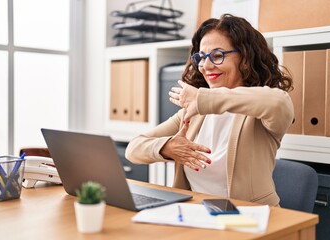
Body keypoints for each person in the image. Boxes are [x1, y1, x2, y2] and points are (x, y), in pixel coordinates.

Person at [125, 14, 294, 206]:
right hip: (197, 215)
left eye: (217, 56)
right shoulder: (195, 113)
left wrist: (203, 98)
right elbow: (134, 148)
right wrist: (167, 147)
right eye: (201, 57)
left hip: (251, 218)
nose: (205, 66)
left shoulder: (258, 113)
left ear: (246, 59)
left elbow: (279, 102)